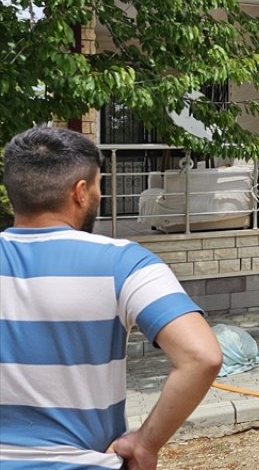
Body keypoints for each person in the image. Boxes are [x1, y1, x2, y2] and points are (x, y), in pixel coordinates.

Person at [0, 126, 222, 470]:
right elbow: (201, 356)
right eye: (99, 186)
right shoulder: (125, 262)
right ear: (80, 192)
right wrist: (146, 443)